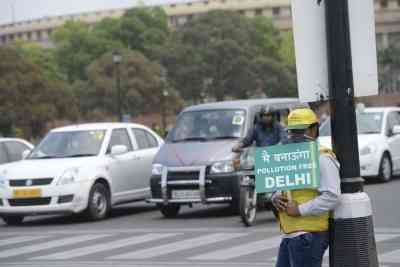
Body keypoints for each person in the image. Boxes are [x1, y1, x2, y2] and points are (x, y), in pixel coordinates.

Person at [271, 108, 341, 267]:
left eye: (300, 131)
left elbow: (332, 195)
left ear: (314, 129)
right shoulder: (287, 155)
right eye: (292, 131)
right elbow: (279, 186)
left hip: (309, 235)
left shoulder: (322, 157)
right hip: (290, 234)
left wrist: (300, 210)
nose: (295, 135)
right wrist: (275, 197)